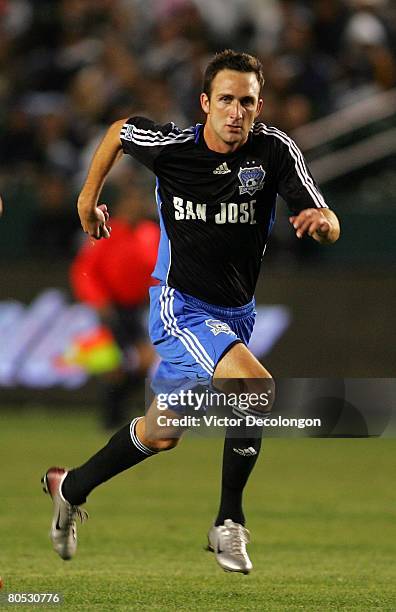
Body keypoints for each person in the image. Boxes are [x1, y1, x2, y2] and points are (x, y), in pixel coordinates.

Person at [42, 49, 340, 574]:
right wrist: (87, 201)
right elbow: (119, 130)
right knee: (256, 389)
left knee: (162, 433)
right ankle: (229, 523)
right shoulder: (175, 149)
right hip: (181, 308)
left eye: (247, 102)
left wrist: (323, 221)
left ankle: (72, 487)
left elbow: (320, 211)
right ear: (205, 103)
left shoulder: (274, 151)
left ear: (258, 105)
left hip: (236, 313)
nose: (236, 112)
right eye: (225, 99)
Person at [70, 185, 159, 429]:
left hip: (136, 307)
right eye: (130, 204)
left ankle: (121, 409)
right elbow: (84, 270)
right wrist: (98, 300)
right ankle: (111, 418)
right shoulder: (105, 232)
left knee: (144, 359)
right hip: (110, 307)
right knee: (113, 367)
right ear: (120, 208)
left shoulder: (149, 233)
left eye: (137, 204)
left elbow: (158, 269)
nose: (134, 208)